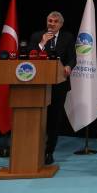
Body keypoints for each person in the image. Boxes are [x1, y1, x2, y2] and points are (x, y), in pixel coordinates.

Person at [28, 11, 76, 165]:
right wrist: (42, 43)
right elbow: (30, 56)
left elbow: (73, 57)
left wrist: (68, 66)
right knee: (38, 117)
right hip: (38, 84)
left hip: (59, 84)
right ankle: (33, 149)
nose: (52, 24)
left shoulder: (68, 37)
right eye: (50, 21)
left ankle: (49, 151)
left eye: (55, 21)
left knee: (54, 118)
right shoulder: (37, 36)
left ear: (61, 24)